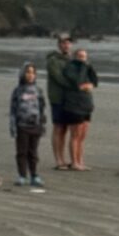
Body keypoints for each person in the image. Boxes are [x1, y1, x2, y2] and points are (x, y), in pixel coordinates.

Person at [9, 62, 47, 186]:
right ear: (23, 74)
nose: (30, 75)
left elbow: (42, 108)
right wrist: (13, 126)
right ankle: (22, 175)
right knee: (22, 152)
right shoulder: (18, 90)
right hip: (22, 125)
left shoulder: (38, 90)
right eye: (28, 72)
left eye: (33, 73)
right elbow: (13, 110)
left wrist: (42, 124)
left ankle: (34, 175)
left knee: (33, 152)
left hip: (35, 125)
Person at [62, 47, 98, 171]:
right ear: (75, 57)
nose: (83, 59)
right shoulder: (70, 68)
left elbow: (95, 81)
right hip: (74, 104)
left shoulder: (87, 67)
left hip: (86, 104)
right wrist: (83, 67)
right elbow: (78, 81)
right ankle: (74, 162)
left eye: (85, 56)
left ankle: (80, 160)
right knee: (75, 135)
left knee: (82, 135)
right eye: (81, 56)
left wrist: (89, 68)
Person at [45, 32, 73, 169]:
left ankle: (63, 158)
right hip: (57, 98)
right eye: (63, 42)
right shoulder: (53, 60)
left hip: (69, 99)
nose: (66, 45)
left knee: (65, 128)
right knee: (58, 127)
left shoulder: (71, 59)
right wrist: (75, 85)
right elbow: (59, 78)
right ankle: (58, 160)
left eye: (68, 42)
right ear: (59, 44)